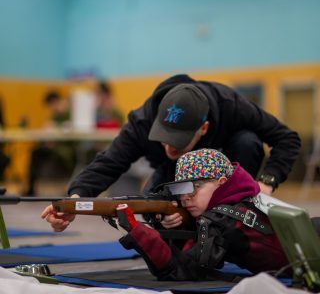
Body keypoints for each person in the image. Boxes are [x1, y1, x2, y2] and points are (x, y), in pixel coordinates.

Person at [41, 74, 301, 231]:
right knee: (154, 209)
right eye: (164, 137)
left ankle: (232, 220)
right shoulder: (142, 121)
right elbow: (109, 162)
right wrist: (74, 201)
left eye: (179, 140)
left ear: (204, 128)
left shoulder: (231, 105)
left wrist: (266, 183)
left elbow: (287, 138)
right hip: (171, 173)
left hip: (224, 178)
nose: (169, 146)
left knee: (248, 141)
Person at [114, 148, 289, 280]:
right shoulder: (241, 201)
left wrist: (140, 233)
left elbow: (181, 270)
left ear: (221, 183)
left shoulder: (223, 221)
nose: (185, 198)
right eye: (181, 190)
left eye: (194, 188)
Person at [26, 90, 76, 196]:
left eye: (51, 105)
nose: (50, 108)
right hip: (54, 146)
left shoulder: (70, 113)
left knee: (38, 153)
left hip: (66, 149)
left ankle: (31, 187)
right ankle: (31, 187)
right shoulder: (54, 116)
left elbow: (72, 133)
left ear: (56, 102)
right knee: (36, 152)